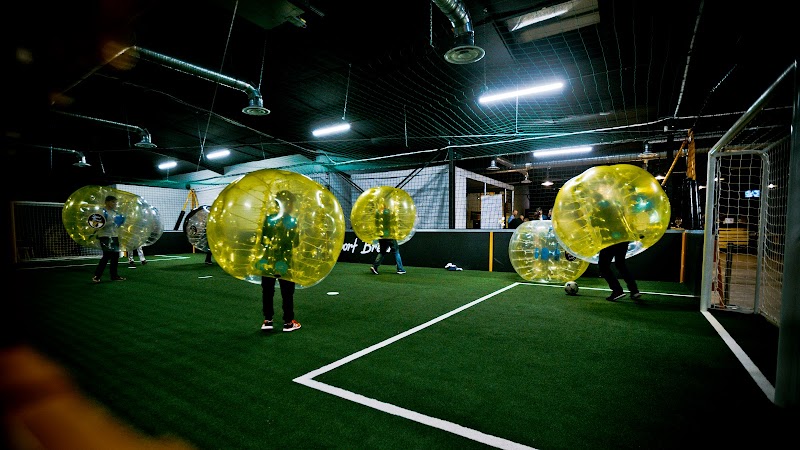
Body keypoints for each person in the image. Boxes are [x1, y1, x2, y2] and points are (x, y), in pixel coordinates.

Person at [259, 190, 301, 332]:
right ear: (289, 205)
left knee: (267, 291)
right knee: (287, 292)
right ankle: (288, 322)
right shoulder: (292, 221)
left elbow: (262, 241)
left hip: (267, 260)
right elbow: (296, 243)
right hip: (285, 261)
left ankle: (268, 320)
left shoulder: (269, 219)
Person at [92, 195, 126, 283]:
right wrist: (113, 221)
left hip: (114, 236)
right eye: (113, 202)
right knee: (106, 256)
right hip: (105, 236)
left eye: (115, 202)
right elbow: (97, 225)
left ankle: (114, 276)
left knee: (115, 256)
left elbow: (115, 226)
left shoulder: (115, 212)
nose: (115, 204)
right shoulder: (101, 212)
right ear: (107, 202)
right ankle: (97, 276)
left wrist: (121, 222)